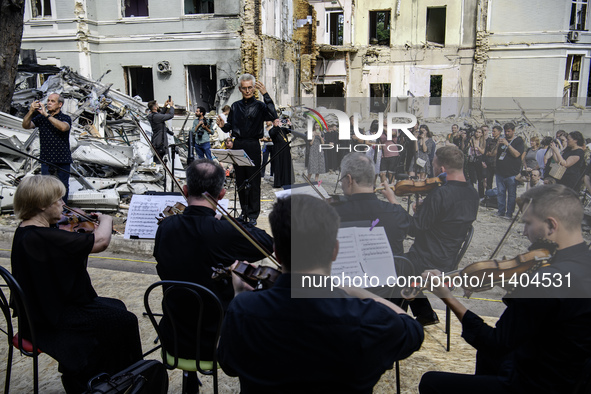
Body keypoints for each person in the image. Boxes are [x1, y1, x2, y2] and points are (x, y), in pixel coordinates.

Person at [217, 195, 424, 393]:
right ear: (335, 250)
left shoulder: (243, 310)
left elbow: (229, 366)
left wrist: (238, 294)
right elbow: (413, 331)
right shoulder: (368, 320)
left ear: (277, 253)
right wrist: (354, 290)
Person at [419, 184, 591, 394]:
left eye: (528, 224)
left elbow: (493, 342)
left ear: (551, 225)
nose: (525, 232)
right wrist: (503, 280)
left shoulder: (545, 280)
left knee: (431, 382)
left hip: (537, 384)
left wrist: (447, 297)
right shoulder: (582, 262)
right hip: (574, 375)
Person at [10, 175, 142, 393]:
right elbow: (100, 241)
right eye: (59, 200)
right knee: (126, 320)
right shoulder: (43, 238)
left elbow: (59, 248)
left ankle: (101, 373)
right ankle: (126, 379)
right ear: (43, 205)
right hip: (52, 321)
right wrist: (107, 220)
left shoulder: (27, 230)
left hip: (41, 311)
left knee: (116, 306)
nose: (64, 205)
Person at [153, 159, 273, 361]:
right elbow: (267, 244)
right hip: (216, 341)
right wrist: (226, 219)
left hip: (173, 338)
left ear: (185, 190)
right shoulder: (224, 232)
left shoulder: (165, 227)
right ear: (221, 195)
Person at [384, 146, 479, 325]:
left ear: (442, 169)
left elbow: (413, 229)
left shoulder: (440, 194)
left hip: (427, 259)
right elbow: (447, 220)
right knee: (406, 270)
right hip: (449, 261)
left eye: (434, 165)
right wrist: (425, 210)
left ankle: (395, 322)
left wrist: (394, 202)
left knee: (395, 268)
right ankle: (426, 314)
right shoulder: (473, 194)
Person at [217, 74, 277, 224]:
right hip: (238, 144)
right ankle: (244, 210)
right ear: (240, 89)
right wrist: (223, 126)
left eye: (250, 87)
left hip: (253, 145)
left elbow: (273, 114)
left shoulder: (260, 105)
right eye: (244, 88)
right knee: (241, 181)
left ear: (254, 88)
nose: (248, 90)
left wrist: (266, 95)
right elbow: (230, 127)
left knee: (254, 180)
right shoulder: (235, 106)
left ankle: (253, 214)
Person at [333, 153, 409, 256]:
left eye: (342, 180)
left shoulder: (333, 214)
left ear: (349, 179)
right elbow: (412, 226)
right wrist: (393, 199)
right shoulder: (396, 213)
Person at [21, 93, 73, 203]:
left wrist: (47, 115)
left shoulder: (65, 118)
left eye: (52, 101)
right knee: (46, 188)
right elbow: (26, 125)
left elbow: (63, 127)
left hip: (62, 158)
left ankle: (63, 211)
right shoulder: (41, 118)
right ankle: (48, 211)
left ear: (60, 104)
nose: (49, 103)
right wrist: (30, 111)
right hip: (46, 159)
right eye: (48, 100)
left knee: (63, 187)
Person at [495, 123, 524, 219]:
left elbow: (517, 154)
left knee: (511, 194)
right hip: (500, 172)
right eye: (505, 131)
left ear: (513, 131)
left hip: (512, 173)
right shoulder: (502, 141)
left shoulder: (518, 141)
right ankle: (501, 211)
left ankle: (509, 213)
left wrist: (508, 145)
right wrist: (497, 144)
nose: (507, 133)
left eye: (509, 131)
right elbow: (494, 153)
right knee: (500, 193)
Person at [269, 118, 295, 188]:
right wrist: (278, 126)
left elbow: (291, 131)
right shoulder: (272, 130)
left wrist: (290, 124)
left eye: (279, 121)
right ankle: (279, 183)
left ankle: (287, 181)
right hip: (278, 150)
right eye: (277, 122)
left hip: (285, 150)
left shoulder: (283, 129)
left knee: (286, 165)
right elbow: (272, 134)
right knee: (279, 166)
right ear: (273, 123)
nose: (279, 122)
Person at [466, 127, 486, 198]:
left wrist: (477, 146)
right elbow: (466, 148)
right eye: (477, 132)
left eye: (479, 132)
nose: (477, 133)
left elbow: (483, 152)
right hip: (471, 159)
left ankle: (481, 195)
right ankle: (471, 194)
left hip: (478, 159)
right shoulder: (471, 139)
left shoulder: (483, 141)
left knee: (480, 178)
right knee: (471, 177)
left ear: (482, 134)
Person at [483, 125, 502, 191]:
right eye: (492, 131)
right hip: (490, 163)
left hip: (498, 164)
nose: (493, 133)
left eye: (494, 131)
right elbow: (487, 152)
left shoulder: (502, 141)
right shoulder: (491, 141)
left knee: (499, 182)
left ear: (499, 132)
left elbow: (495, 153)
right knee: (488, 182)